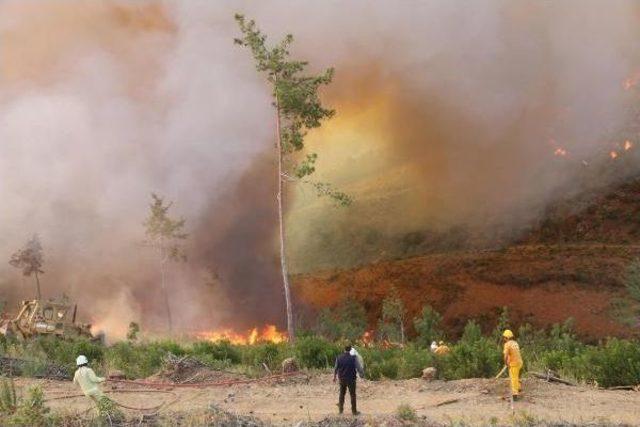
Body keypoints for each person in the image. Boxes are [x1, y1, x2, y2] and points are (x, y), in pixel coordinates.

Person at [333, 345, 364, 415]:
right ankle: (354, 411)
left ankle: (340, 411)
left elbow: (335, 368)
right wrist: (362, 375)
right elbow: (359, 368)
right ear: (350, 350)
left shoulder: (339, 358)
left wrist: (334, 377)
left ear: (344, 349)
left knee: (342, 394)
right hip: (351, 379)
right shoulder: (354, 358)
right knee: (352, 395)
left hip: (342, 379)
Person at [502, 329, 523, 400]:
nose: (503, 339)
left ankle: (515, 395)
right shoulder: (515, 343)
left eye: (504, 337)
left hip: (514, 364)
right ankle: (518, 388)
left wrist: (506, 363)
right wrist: (508, 361)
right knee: (516, 376)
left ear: (507, 338)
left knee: (513, 378)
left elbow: (505, 356)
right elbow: (513, 354)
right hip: (520, 362)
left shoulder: (507, 344)